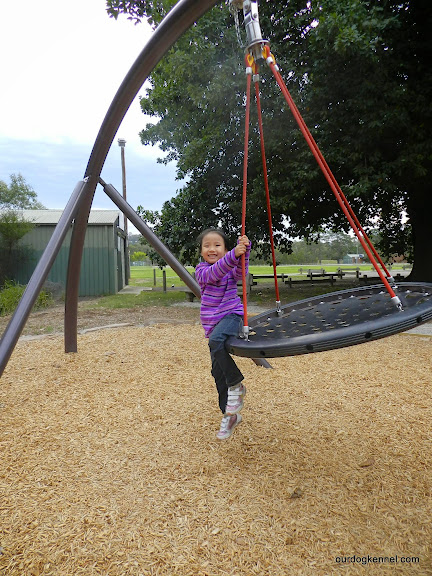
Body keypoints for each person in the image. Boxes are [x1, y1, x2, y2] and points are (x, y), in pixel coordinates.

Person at [195, 228, 251, 440]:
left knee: (216, 341)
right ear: (201, 251)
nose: (212, 249)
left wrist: (244, 251)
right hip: (213, 324)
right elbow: (214, 273)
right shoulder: (201, 271)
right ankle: (229, 415)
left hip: (232, 316)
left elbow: (240, 272)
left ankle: (236, 383)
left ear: (226, 249)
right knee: (217, 372)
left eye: (217, 245)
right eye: (207, 245)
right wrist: (233, 255)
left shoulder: (230, 268)